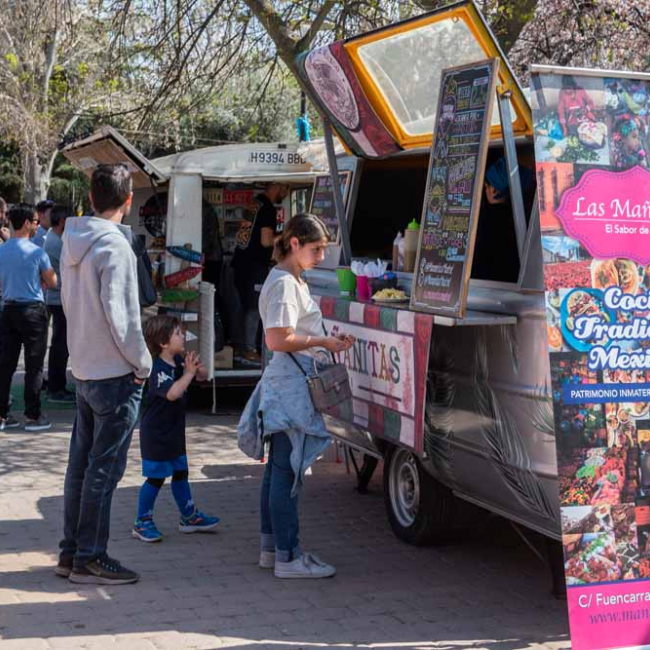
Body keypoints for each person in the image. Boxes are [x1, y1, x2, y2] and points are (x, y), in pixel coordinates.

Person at [238, 214, 355, 579]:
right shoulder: (285, 284)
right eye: (315, 249)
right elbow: (278, 339)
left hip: (287, 383)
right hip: (290, 386)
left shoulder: (290, 280)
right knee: (286, 472)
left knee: (278, 470)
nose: (321, 256)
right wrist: (323, 342)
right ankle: (288, 556)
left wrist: (324, 341)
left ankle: (273, 549)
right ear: (294, 244)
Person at [57, 164, 152, 585]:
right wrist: (143, 363)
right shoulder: (115, 246)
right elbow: (123, 317)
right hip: (115, 374)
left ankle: (71, 554)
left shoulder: (72, 240)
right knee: (103, 470)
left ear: (91, 198)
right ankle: (90, 558)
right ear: (127, 200)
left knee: (81, 468)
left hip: (85, 368)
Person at [133, 315, 220, 543]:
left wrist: (197, 369)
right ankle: (142, 522)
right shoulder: (157, 368)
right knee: (156, 478)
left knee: (181, 472)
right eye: (178, 334)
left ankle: (189, 516)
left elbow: (203, 377)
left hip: (174, 432)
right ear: (163, 342)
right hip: (156, 434)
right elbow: (172, 394)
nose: (183, 337)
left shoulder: (179, 361)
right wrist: (189, 374)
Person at [0, 204, 57, 432]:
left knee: (5, 365)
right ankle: (33, 416)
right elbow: (52, 281)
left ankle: (2, 415)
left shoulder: (2, 250)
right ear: (26, 223)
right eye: (35, 221)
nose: (37, 225)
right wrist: (39, 279)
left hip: (8, 309)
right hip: (33, 310)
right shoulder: (37, 252)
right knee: (34, 366)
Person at [232, 183, 290, 364]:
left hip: (240, 262)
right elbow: (266, 241)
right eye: (286, 188)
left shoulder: (254, 203)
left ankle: (240, 347)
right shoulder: (267, 208)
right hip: (254, 265)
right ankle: (249, 350)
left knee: (244, 306)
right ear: (278, 186)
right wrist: (287, 236)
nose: (286, 193)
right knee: (254, 308)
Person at [44, 205, 75, 403]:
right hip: (59, 299)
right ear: (63, 221)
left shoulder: (53, 237)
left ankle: (55, 385)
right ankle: (56, 388)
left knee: (59, 344)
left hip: (57, 298)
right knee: (60, 345)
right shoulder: (57, 242)